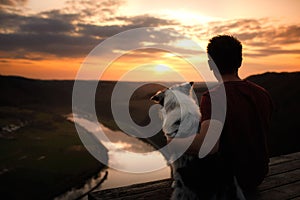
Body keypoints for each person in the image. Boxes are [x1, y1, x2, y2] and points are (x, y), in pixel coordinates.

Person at [167, 35, 273, 199]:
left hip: (230, 181)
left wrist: (173, 141)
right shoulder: (262, 93)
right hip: (258, 174)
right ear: (240, 62)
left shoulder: (214, 97)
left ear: (211, 64)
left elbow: (208, 146)